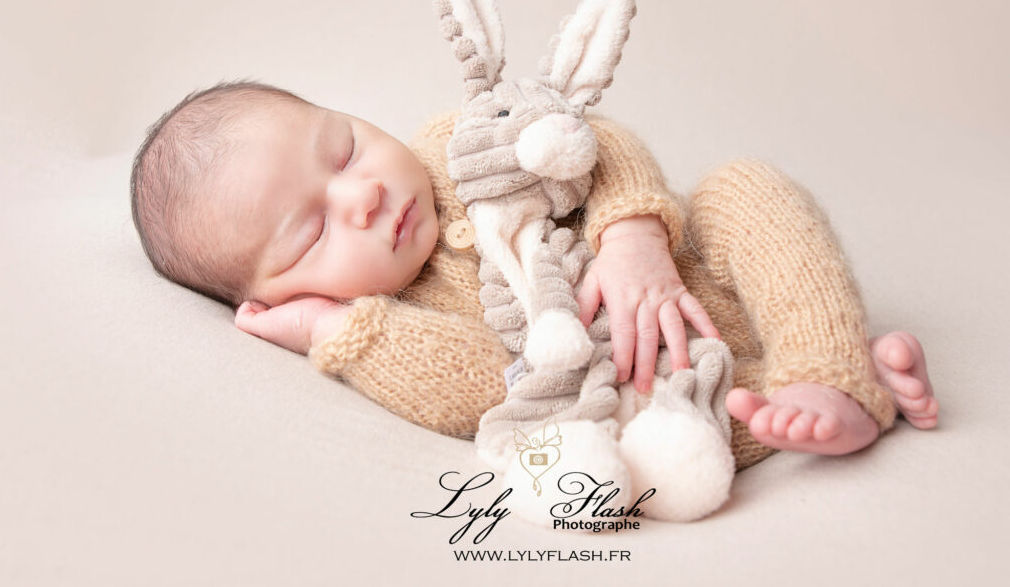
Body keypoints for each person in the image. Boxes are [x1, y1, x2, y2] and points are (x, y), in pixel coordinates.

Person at [130, 79, 939, 470]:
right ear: (282, 296)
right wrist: (340, 332)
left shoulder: (457, 142)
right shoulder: (396, 317)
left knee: (743, 190)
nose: (365, 193)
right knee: (636, 427)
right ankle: (820, 389)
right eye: (313, 228)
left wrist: (633, 238)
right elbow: (489, 389)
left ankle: (822, 356)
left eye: (341, 147)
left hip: (696, 264)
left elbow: (591, 140)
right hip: (644, 374)